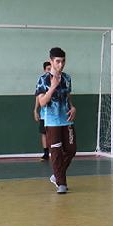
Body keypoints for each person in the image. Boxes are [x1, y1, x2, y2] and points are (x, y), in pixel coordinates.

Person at [35, 48, 77, 194]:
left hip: (67, 120)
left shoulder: (67, 78)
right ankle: (61, 183)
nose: (61, 64)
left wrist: (72, 107)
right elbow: (42, 102)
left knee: (71, 150)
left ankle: (56, 175)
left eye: (63, 61)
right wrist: (53, 87)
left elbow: (68, 97)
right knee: (56, 152)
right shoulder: (43, 80)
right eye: (58, 61)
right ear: (51, 61)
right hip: (52, 122)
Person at [34, 60, 50, 161]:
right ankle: (46, 153)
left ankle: (56, 152)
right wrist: (36, 110)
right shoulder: (42, 81)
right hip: (44, 114)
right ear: (44, 70)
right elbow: (38, 97)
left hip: (56, 115)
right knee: (44, 133)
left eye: (51, 69)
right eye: (48, 69)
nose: (50, 71)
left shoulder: (59, 79)